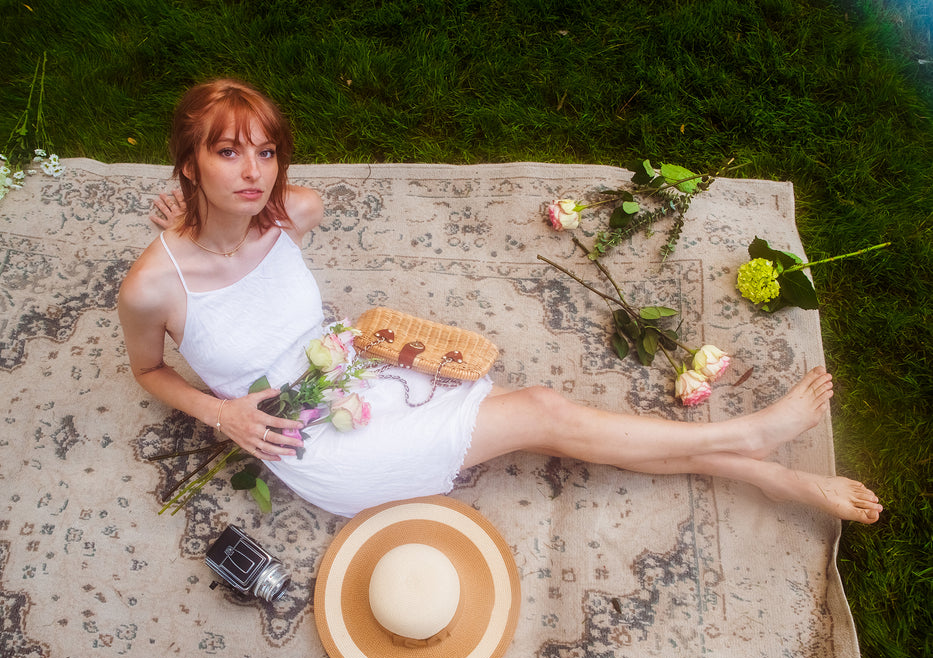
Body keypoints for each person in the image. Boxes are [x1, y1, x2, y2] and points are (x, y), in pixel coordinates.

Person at [119, 78, 883, 523]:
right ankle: (751, 438)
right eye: (226, 152)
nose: (254, 171)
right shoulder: (152, 286)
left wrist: (218, 209)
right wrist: (222, 413)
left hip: (354, 370)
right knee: (544, 413)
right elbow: (148, 373)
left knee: (548, 423)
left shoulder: (289, 214)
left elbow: (294, 202)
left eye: (266, 149)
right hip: (303, 437)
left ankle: (761, 471)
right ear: (186, 162)